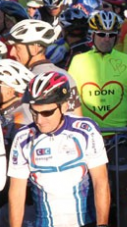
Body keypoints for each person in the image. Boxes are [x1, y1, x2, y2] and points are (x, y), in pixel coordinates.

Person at [7, 71, 110, 227]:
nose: (39, 120)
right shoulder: (23, 138)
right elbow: (17, 192)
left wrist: (102, 224)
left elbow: (100, 182)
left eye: (47, 112)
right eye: (34, 112)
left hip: (85, 222)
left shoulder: (86, 130)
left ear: (64, 106)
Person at [68, 10, 127, 129]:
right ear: (92, 35)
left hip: (120, 135)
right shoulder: (78, 61)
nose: (107, 39)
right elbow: (71, 100)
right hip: (87, 133)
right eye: (101, 34)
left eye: (111, 35)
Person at [7, 19, 82, 113]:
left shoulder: (27, 80)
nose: (12, 53)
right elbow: (77, 116)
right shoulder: (65, 75)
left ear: (34, 49)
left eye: (17, 48)